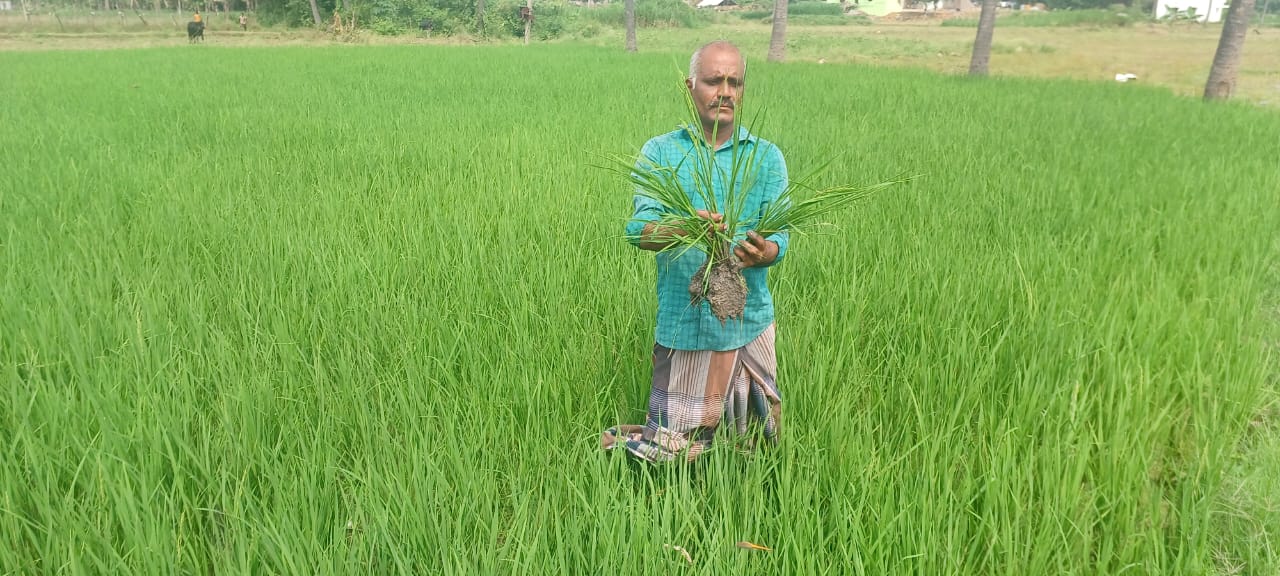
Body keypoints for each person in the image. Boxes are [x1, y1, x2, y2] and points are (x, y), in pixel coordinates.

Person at [601, 40, 790, 463]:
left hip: (749, 319)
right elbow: (638, 230)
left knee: (752, 449)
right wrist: (684, 227)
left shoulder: (766, 157)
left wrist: (768, 250)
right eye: (713, 81)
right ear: (690, 86)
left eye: (734, 82)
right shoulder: (662, 152)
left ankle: (740, 494)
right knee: (675, 448)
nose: (724, 91)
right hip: (684, 322)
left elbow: (783, 235)